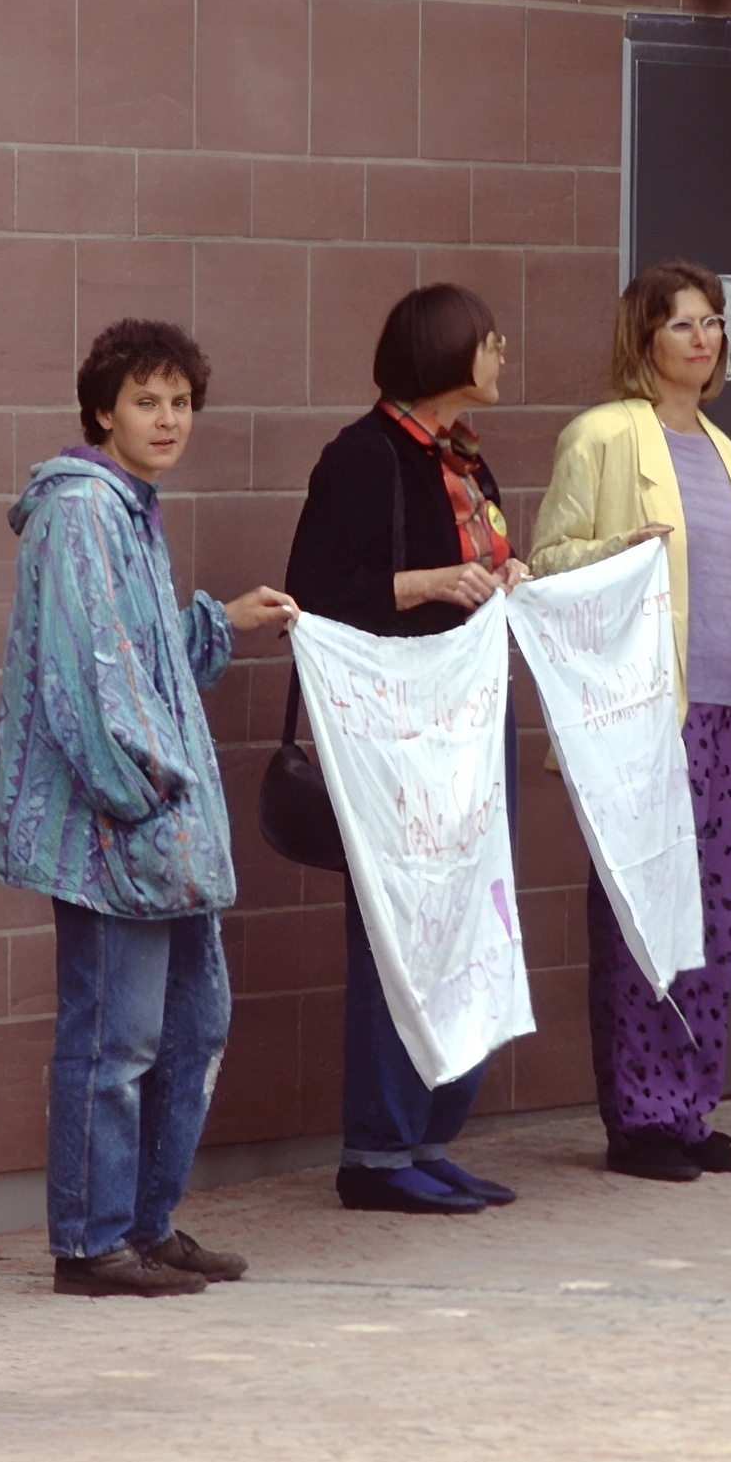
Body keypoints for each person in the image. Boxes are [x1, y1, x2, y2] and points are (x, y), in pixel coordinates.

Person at [0, 320, 297, 1295]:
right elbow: (91, 681)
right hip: (116, 832)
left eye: (179, 402)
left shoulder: (131, 508)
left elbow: (149, 657)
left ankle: (145, 1221)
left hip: (165, 835)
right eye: (145, 402)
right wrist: (148, 796)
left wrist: (219, 622)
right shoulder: (81, 509)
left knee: (190, 1028)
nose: (166, 419)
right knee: (112, 1040)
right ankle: (89, 1242)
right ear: (101, 411)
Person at [529, 260, 731, 1183]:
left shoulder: (718, 444)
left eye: (713, 322)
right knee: (643, 918)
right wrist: (616, 550)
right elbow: (547, 563)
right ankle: (638, 1120)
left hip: (716, 711)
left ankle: (690, 1108)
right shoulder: (600, 436)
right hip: (640, 717)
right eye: (683, 324)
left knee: (712, 917)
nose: (704, 339)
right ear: (644, 338)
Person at [283, 284, 528, 1214]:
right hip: (400, 727)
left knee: (471, 914)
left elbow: (475, 572)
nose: (502, 356)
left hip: (467, 711)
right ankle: (377, 1150)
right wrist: (430, 582)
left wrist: (504, 575)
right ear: (444, 353)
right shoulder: (364, 456)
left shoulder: (465, 457)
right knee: (399, 924)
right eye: (490, 343)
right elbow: (315, 588)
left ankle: (428, 1133)